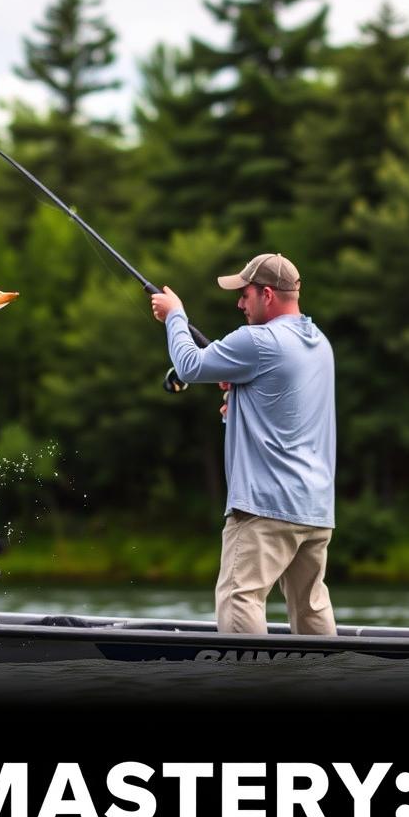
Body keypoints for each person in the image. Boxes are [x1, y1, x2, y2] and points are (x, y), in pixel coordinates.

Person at [150, 253, 337, 636]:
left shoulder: (258, 341)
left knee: (240, 598)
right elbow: (285, 410)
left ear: (267, 294)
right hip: (315, 510)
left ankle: (249, 683)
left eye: (245, 294)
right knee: (310, 606)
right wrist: (239, 401)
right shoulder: (319, 344)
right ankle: (328, 681)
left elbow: (189, 366)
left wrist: (175, 315)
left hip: (264, 507)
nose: (239, 303)